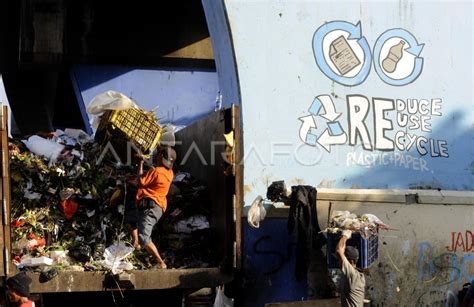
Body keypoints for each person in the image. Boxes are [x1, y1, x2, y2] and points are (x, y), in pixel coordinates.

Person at [129, 146, 176, 269]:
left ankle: (161, 263)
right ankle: (136, 244)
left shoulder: (156, 172)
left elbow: (139, 182)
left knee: (144, 238)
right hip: (157, 207)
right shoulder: (170, 173)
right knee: (131, 219)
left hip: (150, 208)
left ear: (160, 157)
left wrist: (140, 164)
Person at [336, 230, 365, 307]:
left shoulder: (352, 274)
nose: (339, 262)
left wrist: (345, 236)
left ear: (351, 261)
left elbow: (339, 251)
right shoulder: (354, 274)